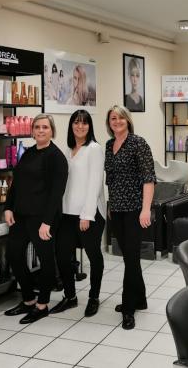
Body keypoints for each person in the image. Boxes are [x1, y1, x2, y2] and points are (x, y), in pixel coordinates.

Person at [3, 114, 68, 324]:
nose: (40, 130)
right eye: (37, 127)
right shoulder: (28, 153)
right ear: (32, 131)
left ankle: (42, 305)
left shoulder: (56, 157)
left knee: (45, 260)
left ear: (52, 131)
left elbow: (57, 193)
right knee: (14, 255)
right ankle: (28, 299)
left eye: (45, 127)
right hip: (21, 215)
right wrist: (8, 207)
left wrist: (47, 222)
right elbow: (16, 183)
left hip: (42, 218)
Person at [104, 105, 155, 330]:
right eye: (113, 118)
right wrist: (110, 205)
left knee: (132, 259)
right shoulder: (109, 145)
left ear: (128, 120)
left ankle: (128, 308)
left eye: (121, 118)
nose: (117, 121)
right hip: (117, 209)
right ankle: (140, 299)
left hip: (135, 209)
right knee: (129, 258)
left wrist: (146, 209)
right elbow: (110, 179)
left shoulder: (138, 143)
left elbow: (148, 178)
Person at [51, 110, 105, 317]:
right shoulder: (68, 149)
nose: (80, 126)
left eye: (84, 123)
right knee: (62, 255)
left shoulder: (94, 149)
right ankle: (70, 296)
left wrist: (87, 214)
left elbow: (95, 183)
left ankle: (94, 297)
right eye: (76, 122)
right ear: (71, 125)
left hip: (89, 213)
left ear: (90, 126)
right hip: (67, 212)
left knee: (93, 255)